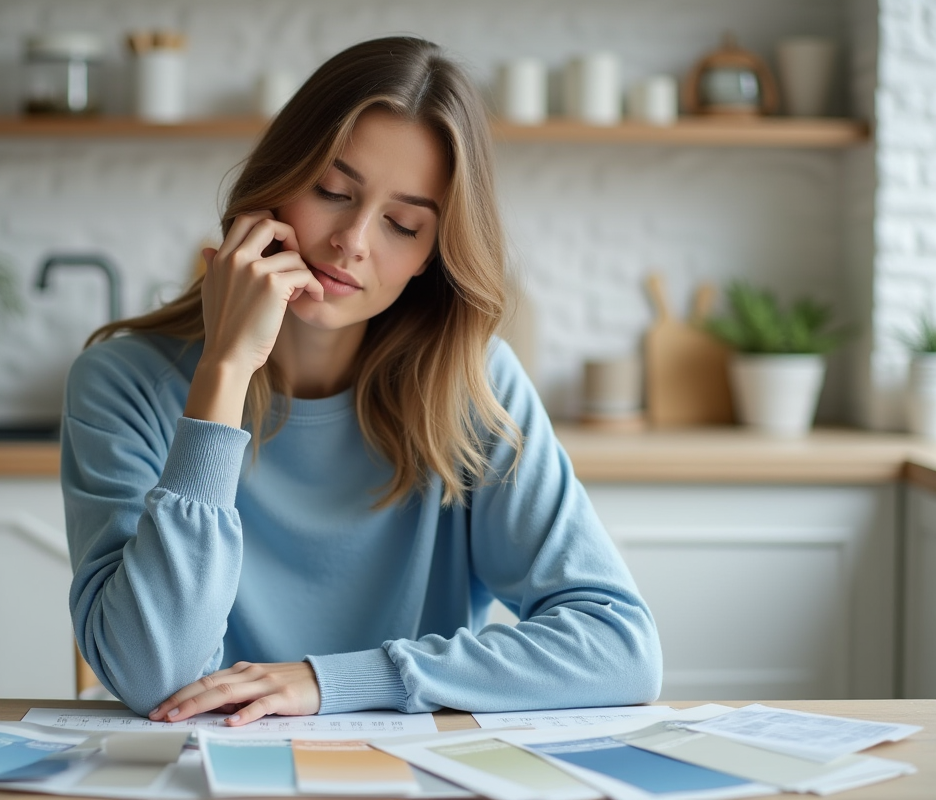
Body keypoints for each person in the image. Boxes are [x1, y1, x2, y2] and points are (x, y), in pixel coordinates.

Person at [61, 36, 661, 726]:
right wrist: (223, 375)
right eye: (332, 191)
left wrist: (337, 681)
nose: (353, 240)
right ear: (276, 183)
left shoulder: (474, 385)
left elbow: (621, 650)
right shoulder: (122, 382)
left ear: (431, 259)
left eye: (403, 224)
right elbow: (151, 674)